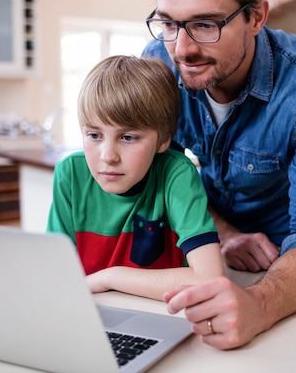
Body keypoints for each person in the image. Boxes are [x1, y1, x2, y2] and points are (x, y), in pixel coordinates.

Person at [141, 0, 296, 349]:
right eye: (169, 23)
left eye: (205, 24)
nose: (182, 49)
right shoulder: (158, 64)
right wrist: (222, 235)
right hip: (199, 246)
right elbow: (156, 177)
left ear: (256, 17)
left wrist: (259, 305)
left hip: (280, 264)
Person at [46, 55, 225, 301]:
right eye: (94, 135)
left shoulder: (176, 175)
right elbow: (55, 275)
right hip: (90, 315)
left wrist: (109, 277)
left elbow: (211, 280)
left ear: (164, 140)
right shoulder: (70, 174)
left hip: (162, 316)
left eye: (128, 137)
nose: (108, 156)